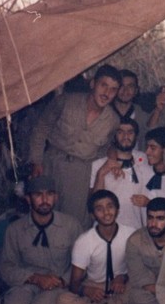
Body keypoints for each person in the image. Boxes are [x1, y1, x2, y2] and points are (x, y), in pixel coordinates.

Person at [29, 64, 121, 225]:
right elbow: (42, 128)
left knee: (73, 220)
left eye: (113, 90)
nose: (107, 93)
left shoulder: (113, 120)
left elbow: (105, 148)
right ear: (93, 84)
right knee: (42, 212)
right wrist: (36, 161)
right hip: (51, 163)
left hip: (79, 173)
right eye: (103, 85)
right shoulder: (65, 101)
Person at [0, 176, 82, 304]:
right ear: (28, 199)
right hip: (26, 283)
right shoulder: (15, 229)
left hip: (58, 284)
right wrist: (34, 278)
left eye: (49, 194)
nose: (44, 200)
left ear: (56, 197)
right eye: (38, 194)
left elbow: (81, 263)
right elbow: (6, 267)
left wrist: (63, 281)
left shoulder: (71, 225)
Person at [57, 190, 139, 304]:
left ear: (117, 210)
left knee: (141, 286)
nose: (106, 213)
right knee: (63, 301)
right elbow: (74, 284)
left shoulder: (131, 234)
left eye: (110, 207)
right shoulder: (84, 241)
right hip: (95, 287)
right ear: (93, 215)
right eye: (99, 209)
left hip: (121, 287)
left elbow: (140, 269)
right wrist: (87, 291)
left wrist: (122, 277)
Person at [126, 198, 165, 304]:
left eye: (160, 218)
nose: (153, 224)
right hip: (151, 292)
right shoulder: (135, 240)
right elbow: (142, 281)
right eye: (150, 218)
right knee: (135, 297)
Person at [90, 118, 146, 230]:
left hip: (135, 230)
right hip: (106, 230)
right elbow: (94, 203)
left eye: (130, 132)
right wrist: (101, 173)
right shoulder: (98, 165)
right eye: (120, 132)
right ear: (114, 136)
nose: (125, 136)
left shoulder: (143, 159)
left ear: (136, 136)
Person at [132, 127, 165, 225]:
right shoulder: (143, 166)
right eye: (147, 147)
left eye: (153, 148)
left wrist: (150, 203)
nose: (147, 152)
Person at [113, 69, 151, 150]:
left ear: (136, 90)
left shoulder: (143, 116)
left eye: (130, 86)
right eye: (121, 86)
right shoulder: (104, 114)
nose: (125, 90)